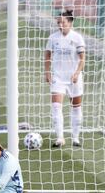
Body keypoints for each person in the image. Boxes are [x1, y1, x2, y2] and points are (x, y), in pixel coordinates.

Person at [44, 9, 85, 147]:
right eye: (58, 22)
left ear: (70, 22)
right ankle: (60, 138)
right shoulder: (52, 38)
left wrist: (77, 73)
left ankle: (75, 137)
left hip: (74, 78)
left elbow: (82, 59)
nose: (60, 25)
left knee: (76, 107)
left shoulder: (77, 38)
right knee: (56, 106)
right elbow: (48, 56)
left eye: (63, 22)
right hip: (58, 77)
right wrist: (47, 72)